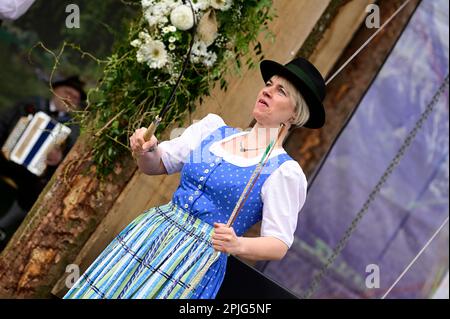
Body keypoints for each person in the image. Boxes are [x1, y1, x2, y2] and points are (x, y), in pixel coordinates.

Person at [63, 57, 326, 299]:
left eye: (281, 91)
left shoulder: (282, 171)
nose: (267, 90)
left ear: (295, 114)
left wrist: (237, 244)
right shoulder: (213, 131)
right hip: (152, 233)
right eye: (269, 84)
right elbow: (156, 165)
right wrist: (147, 149)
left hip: (195, 260)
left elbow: (278, 244)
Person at [0, 75, 86, 249]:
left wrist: (58, 160)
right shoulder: (30, 104)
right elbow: (3, 122)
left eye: (75, 99)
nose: (70, 99)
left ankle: (3, 227)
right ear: (55, 90)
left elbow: (67, 165)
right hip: (4, 157)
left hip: (30, 176)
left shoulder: (72, 131)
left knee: (35, 195)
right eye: (67, 92)